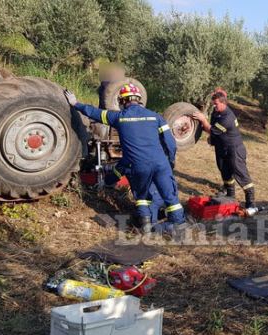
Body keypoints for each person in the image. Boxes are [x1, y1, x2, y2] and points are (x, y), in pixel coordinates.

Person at [64, 84, 185, 233]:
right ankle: (178, 225)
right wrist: (170, 161)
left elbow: (95, 113)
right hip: (161, 163)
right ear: (139, 100)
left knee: (142, 197)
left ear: (122, 101)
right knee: (171, 197)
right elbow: (170, 143)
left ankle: (147, 225)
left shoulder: (119, 117)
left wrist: (75, 104)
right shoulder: (155, 116)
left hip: (138, 166)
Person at [192, 89, 256, 209]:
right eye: (213, 104)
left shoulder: (228, 117)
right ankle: (230, 195)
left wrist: (203, 119)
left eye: (216, 104)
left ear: (223, 103)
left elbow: (211, 129)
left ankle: (251, 204)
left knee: (240, 174)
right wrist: (212, 138)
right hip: (222, 148)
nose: (214, 106)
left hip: (234, 150)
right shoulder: (217, 113)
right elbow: (214, 131)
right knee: (225, 171)